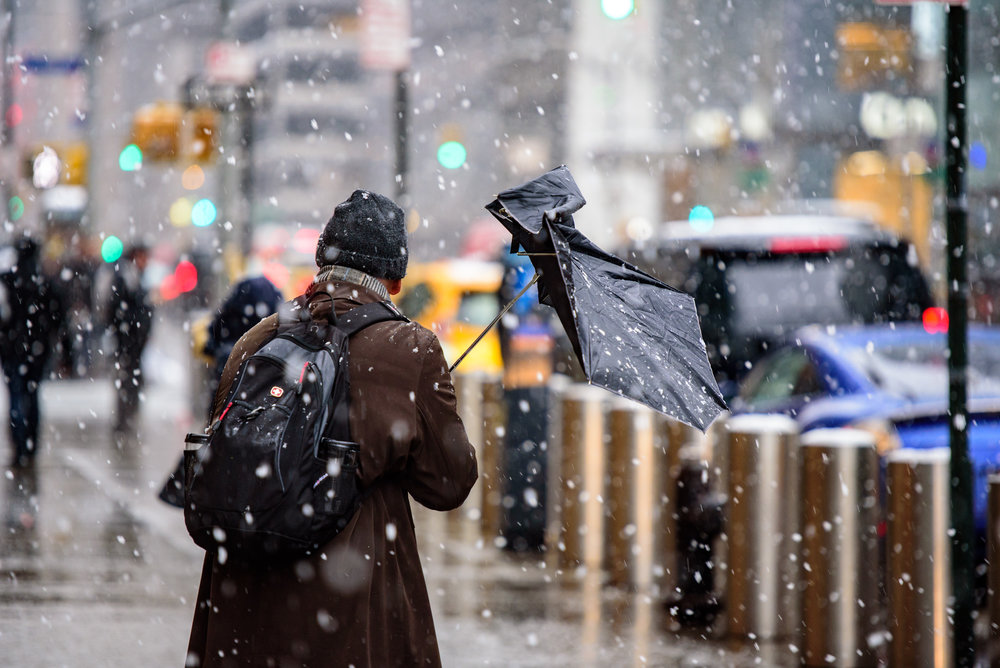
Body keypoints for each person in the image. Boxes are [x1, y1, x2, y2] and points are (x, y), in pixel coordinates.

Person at [186, 189, 479, 668]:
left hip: (242, 606)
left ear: (322, 261)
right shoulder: (411, 350)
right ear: (395, 280)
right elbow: (449, 484)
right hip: (350, 605)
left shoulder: (258, 339)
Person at [157, 274, 283, 508]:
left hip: (224, 399)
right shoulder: (268, 334)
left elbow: (211, 336)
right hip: (256, 412)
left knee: (216, 441)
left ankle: (199, 496)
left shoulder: (229, 335)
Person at [0, 237, 65, 468]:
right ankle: (30, 445)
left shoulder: (8, 281)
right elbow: (58, 317)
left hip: (11, 349)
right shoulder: (45, 283)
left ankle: (20, 446)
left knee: (17, 396)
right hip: (37, 351)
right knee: (32, 395)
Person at [105, 244, 153, 448]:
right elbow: (115, 310)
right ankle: (123, 420)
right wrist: (128, 332)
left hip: (134, 342)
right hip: (128, 342)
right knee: (127, 379)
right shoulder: (126, 277)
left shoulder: (135, 277)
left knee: (132, 379)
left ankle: (127, 418)